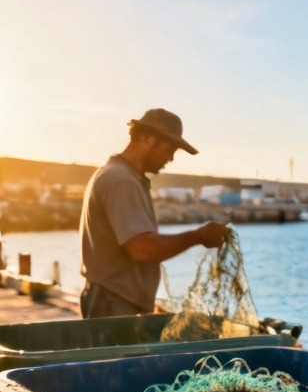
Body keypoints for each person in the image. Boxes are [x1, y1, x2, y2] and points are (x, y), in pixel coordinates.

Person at [79, 108, 230, 318]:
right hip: (113, 304)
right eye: (170, 150)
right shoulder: (121, 180)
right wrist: (198, 236)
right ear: (148, 140)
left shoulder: (117, 174)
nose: (171, 158)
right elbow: (142, 249)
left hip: (113, 300)